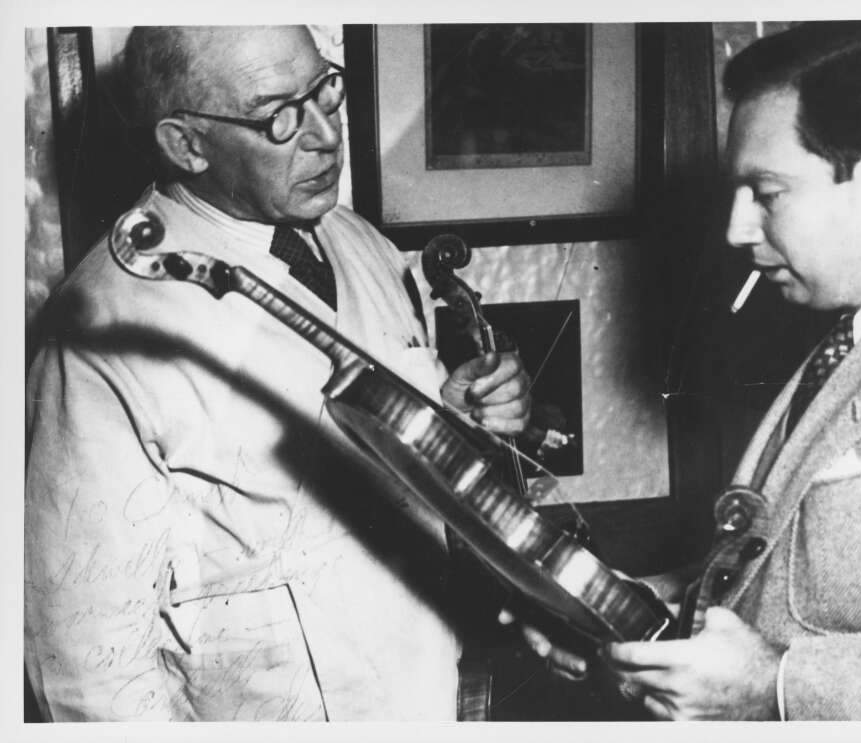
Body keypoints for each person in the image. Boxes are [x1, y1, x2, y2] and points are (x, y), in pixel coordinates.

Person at [24, 25, 530, 721]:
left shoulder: (359, 242)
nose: (325, 134)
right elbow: (83, 661)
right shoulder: (99, 331)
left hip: (431, 694)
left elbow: (394, 438)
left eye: (326, 88)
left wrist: (459, 408)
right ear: (186, 144)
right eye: (279, 115)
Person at [518, 20, 861, 720]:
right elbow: (779, 590)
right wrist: (625, 627)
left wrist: (777, 686)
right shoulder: (849, 333)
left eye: (766, 192)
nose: (737, 229)